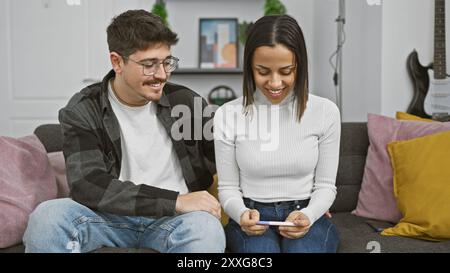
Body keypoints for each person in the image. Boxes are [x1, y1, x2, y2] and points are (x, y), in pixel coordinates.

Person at [23, 9, 225, 253]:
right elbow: (88, 184)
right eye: (149, 65)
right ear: (117, 62)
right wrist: (175, 201)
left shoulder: (186, 102)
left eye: (166, 62)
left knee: (206, 229)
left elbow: (226, 156)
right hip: (107, 218)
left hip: (175, 221)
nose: (161, 74)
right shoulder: (83, 109)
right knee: (47, 217)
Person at [214, 14, 341, 253]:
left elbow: (326, 186)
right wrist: (241, 214)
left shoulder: (325, 112)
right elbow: (228, 189)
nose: (274, 83)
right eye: (263, 71)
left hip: (306, 213)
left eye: (286, 71)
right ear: (249, 68)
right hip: (252, 215)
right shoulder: (227, 114)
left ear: (300, 66)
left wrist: (309, 214)